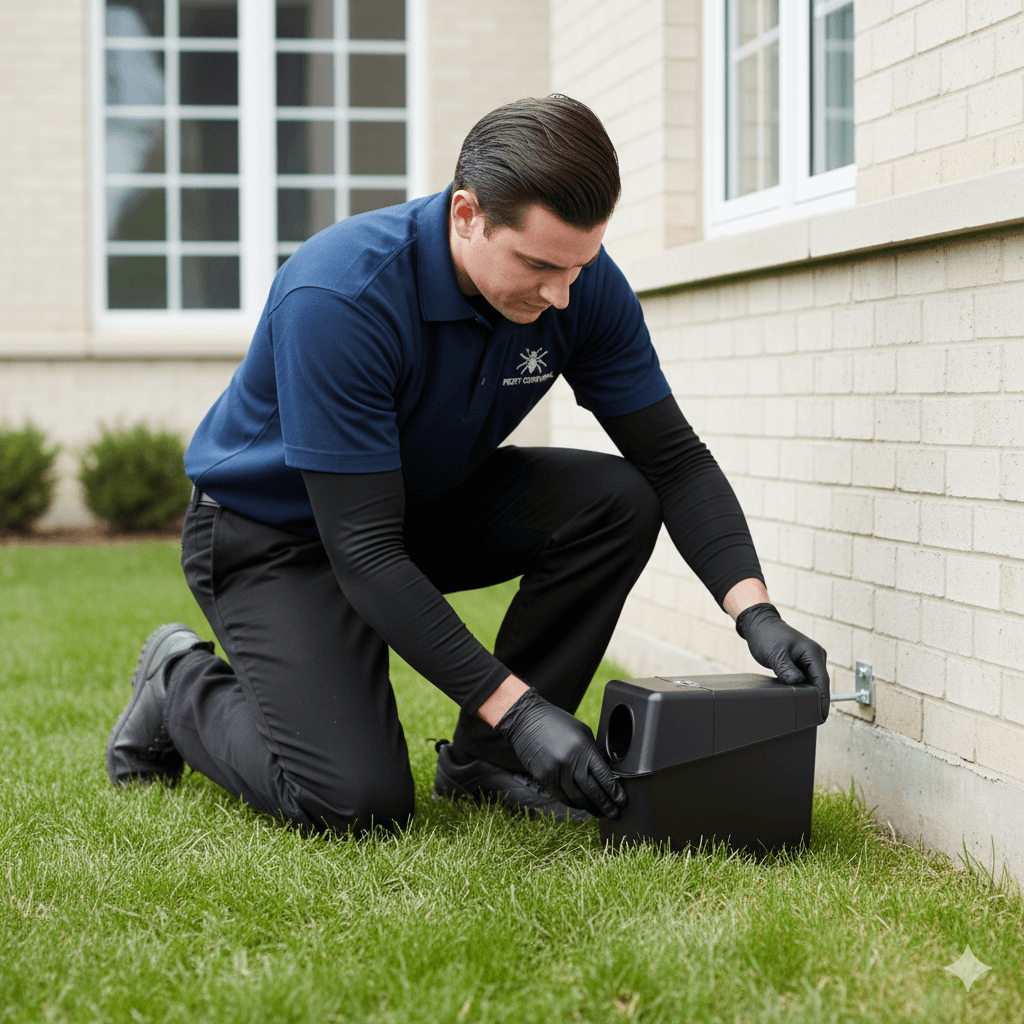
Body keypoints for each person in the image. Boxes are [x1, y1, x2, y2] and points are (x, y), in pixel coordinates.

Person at [106, 95, 830, 834]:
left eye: (578, 266)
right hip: (275, 539)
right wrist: (521, 709)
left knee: (618, 498)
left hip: (416, 509)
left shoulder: (578, 283)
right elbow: (361, 549)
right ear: (466, 215)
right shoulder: (341, 295)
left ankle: (488, 763)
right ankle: (178, 681)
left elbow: (674, 460)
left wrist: (756, 614)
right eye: (539, 265)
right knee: (355, 805)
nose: (560, 294)